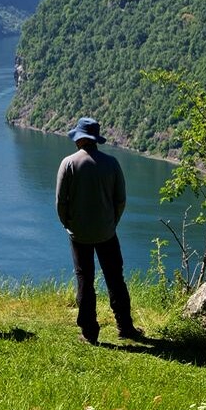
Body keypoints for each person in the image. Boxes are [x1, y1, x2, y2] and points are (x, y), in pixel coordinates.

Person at [55, 117, 143, 344]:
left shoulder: (69, 164)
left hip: (79, 234)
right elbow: (120, 200)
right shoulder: (112, 163)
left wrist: (69, 225)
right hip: (107, 232)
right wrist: (111, 223)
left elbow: (60, 203)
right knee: (115, 278)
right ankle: (125, 327)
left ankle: (89, 332)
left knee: (85, 279)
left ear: (80, 139)